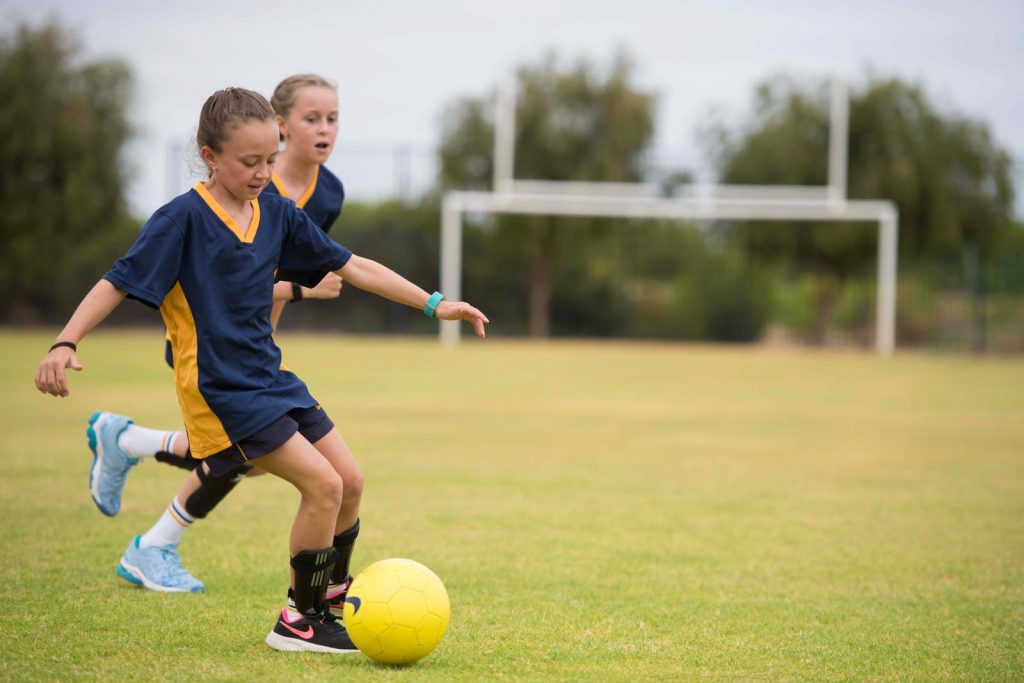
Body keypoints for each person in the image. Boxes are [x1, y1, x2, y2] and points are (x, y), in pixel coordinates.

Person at [36, 86, 488, 654]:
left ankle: (327, 601)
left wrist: (433, 304)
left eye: (270, 159)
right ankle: (298, 623)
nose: (262, 172)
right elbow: (116, 281)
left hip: (271, 377)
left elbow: (355, 265)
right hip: (221, 387)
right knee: (320, 485)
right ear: (210, 155)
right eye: (250, 162)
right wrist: (64, 341)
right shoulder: (180, 220)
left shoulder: (275, 211)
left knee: (349, 480)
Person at [87, 75, 352, 597]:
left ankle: (131, 443)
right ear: (280, 126)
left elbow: (282, 267)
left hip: (257, 348)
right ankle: (153, 544)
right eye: (311, 118)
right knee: (241, 453)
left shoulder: (328, 192)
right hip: (208, 342)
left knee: (249, 456)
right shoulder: (245, 183)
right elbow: (234, 280)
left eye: (333, 118)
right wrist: (301, 294)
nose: (324, 130)